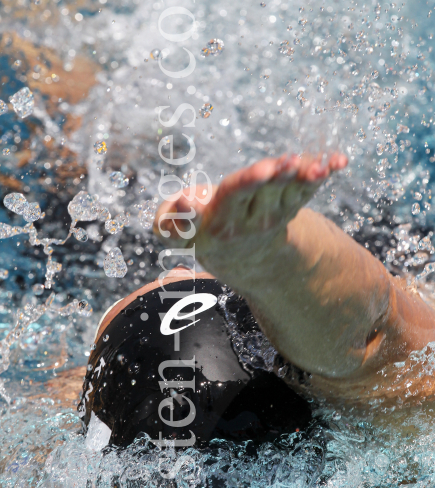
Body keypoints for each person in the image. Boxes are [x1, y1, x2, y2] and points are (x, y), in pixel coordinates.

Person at [60, 154, 435, 451]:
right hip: (343, 252)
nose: (176, 269)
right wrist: (261, 256)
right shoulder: (400, 407)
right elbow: (370, 328)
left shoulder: (76, 419)